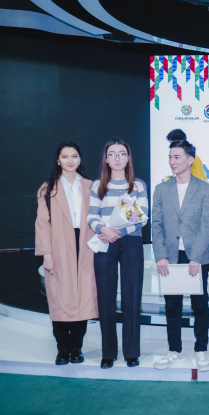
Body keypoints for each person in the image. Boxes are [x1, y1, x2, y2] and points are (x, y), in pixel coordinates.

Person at [152, 140, 209, 372]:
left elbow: (207, 224)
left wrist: (196, 257)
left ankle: (201, 350)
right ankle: (174, 351)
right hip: (169, 256)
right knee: (172, 305)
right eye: (170, 157)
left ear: (190, 159)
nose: (172, 161)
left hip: (197, 256)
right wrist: (160, 255)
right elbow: (156, 225)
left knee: (200, 305)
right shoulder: (161, 189)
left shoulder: (205, 189)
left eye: (177, 157)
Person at [35, 142, 98, 365]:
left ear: (80, 159)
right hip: (59, 246)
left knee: (82, 300)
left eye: (74, 156)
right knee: (60, 301)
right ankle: (62, 348)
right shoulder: (48, 188)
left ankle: (77, 348)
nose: (70, 160)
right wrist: (47, 254)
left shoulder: (92, 186)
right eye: (65, 156)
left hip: (86, 245)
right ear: (58, 160)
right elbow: (42, 224)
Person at [88, 139, 149, 369]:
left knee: (132, 299)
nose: (117, 158)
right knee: (106, 299)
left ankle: (132, 352)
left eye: (121, 154)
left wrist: (119, 232)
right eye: (112, 154)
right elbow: (91, 216)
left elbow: (142, 218)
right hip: (104, 242)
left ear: (128, 158)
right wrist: (102, 229)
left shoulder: (138, 186)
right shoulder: (97, 186)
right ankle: (108, 353)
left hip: (131, 243)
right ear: (105, 158)